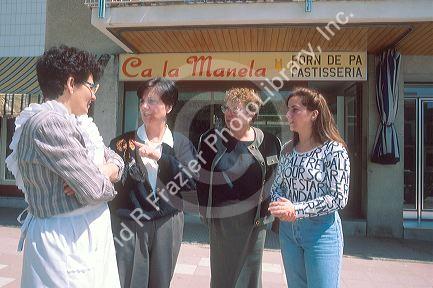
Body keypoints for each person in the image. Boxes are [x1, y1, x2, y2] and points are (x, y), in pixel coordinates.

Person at [5, 45, 124, 287]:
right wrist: (103, 177)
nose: (94, 95)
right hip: (66, 240)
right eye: (91, 87)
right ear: (71, 83)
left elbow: (115, 159)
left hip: (80, 236)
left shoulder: (75, 122)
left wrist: (103, 170)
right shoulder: (49, 124)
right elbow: (94, 190)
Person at [109, 78, 197, 288]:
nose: (145, 107)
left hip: (169, 221)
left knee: (161, 282)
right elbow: (112, 187)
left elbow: (192, 184)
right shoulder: (122, 143)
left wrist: (161, 158)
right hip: (130, 223)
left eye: (152, 101)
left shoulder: (180, 144)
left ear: (168, 107)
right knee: (129, 281)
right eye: (142, 101)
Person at [197, 88, 281, 288]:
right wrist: (206, 212)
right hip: (223, 219)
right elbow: (200, 178)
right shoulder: (211, 140)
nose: (229, 113)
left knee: (251, 275)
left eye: (236, 108)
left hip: (256, 220)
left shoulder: (270, 142)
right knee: (223, 275)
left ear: (252, 113)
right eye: (227, 108)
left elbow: (275, 180)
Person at [269, 87, 350, 288]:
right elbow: (276, 187)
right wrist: (281, 206)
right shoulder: (287, 149)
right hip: (288, 232)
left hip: (321, 232)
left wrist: (296, 209)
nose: (288, 115)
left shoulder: (334, 150)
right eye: (288, 110)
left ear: (314, 114)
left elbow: (338, 197)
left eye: (294, 109)